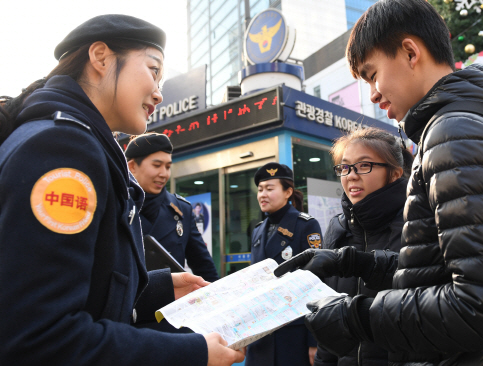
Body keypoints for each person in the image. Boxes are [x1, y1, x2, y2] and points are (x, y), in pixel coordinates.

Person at [275, 0, 483, 364]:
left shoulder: (456, 133)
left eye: (372, 74)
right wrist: (355, 262)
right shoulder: (455, 126)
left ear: (410, 52)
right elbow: (442, 269)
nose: (372, 94)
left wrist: (357, 317)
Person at [0, 14, 243, 366]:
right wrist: (195, 352)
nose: (159, 92)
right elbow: (41, 338)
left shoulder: (71, 140)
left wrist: (157, 289)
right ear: (100, 57)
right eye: (152, 69)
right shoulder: (64, 149)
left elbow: (78, 294)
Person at [312, 127, 412, 366]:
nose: (351, 175)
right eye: (344, 167)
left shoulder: (417, 224)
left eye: (364, 165)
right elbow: (327, 310)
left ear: (395, 173)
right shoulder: (337, 228)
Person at [245, 162, 323, 366]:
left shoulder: (306, 225)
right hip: (260, 331)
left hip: (293, 333)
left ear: (288, 192)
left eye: (270, 189)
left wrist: (314, 341)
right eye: (260, 189)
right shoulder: (258, 230)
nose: (263, 194)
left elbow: (315, 283)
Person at [125, 133, 219, 282]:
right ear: (132, 166)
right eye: (156, 165)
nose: (164, 174)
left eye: (168, 167)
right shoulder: (117, 205)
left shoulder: (182, 210)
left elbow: (204, 267)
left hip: (169, 302)